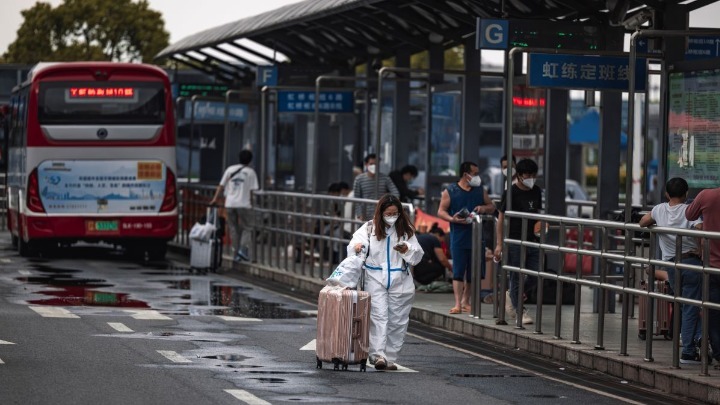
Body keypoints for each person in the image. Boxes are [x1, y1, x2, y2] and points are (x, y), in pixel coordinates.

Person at [347, 194, 423, 371]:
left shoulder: (405, 230)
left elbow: (417, 255)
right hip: (375, 277)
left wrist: (407, 249)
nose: (391, 216)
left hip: (400, 279)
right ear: (380, 213)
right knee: (378, 316)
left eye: (395, 213)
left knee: (398, 320)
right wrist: (358, 247)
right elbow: (355, 244)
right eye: (388, 213)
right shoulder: (369, 228)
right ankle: (378, 355)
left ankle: (389, 357)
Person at [639, 177, 704, 364]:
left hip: (671, 264)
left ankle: (698, 338)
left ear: (667, 194)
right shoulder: (689, 210)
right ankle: (688, 352)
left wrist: (657, 224)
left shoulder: (659, 209)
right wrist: (699, 247)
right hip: (691, 263)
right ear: (686, 194)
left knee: (685, 305)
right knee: (691, 306)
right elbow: (700, 228)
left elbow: (643, 222)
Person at [437, 162, 495, 315]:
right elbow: (441, 211)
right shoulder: (450, 191)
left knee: (473, 270)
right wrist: (452, 219)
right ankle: (457, 303)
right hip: (459, 236)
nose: (477, 177)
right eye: (474, 173)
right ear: (465, 174)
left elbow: (492, 206)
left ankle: (465, 301)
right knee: (458, 270)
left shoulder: (479, 191)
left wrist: (483, 208)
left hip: (476, 236)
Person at [493, 158, 542, 325]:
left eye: (533, 174)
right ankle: (520, 310)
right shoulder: (511, 193)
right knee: (517, 276)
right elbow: (501, 218)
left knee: (536, 274)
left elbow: (538, 214)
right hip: (514, 240)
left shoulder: (536, 191)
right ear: (519, 175)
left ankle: (511, 295)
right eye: (527, 174)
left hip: (532, 239)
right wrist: (499, 244)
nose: (531, 178)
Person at [686, 184, 720, 366]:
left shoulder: (706, 195)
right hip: (711, 264)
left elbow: (689, 215)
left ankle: (719, 352)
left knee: (712, 311)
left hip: (711, 264)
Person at [209, 149, 259, 262]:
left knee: (233, 228)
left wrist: (214, 199)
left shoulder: (230, 169)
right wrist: (251, 204)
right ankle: (242, 250)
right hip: (244, 204)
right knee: (248, 227)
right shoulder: (251, 173)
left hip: (230, 203)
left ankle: (236, 254)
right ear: (250, 160)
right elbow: (252, 191)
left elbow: (221, 186)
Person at [353, 154, 399, 220]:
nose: (373, 166)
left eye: (376, 164)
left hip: (381, 214)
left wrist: (387, 201)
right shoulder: (359, 179)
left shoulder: (385, 178)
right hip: (365, 214)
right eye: (371, 164)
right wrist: (359, 214)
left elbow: (396, 193)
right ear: (366, 164)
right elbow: (356, 199)